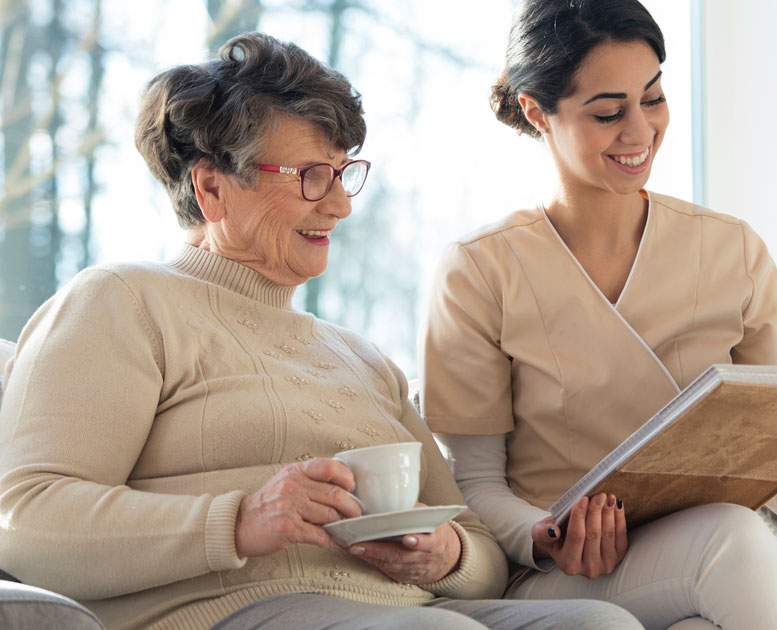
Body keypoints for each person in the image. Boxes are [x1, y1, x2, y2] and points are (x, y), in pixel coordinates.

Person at [0, 32, 642, 630]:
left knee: (601, 622)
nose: (340, 204)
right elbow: (25, 521)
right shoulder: (123, 301)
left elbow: (478, 549)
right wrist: (239, 522)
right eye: (310, 176)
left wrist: (443, 556)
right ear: (214, 188)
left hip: (408, 610)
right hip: (233, 607)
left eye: (344, 173)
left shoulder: (361, 358)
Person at [419, 2, 777, 629]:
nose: (639, 131)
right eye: (607, 112)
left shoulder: (731, 250)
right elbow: (474, 488)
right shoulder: (480, 269)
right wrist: (546, 535)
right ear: (536, 111)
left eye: (652, 99)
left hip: (702, 561)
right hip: (554, 580)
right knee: (728, 535)